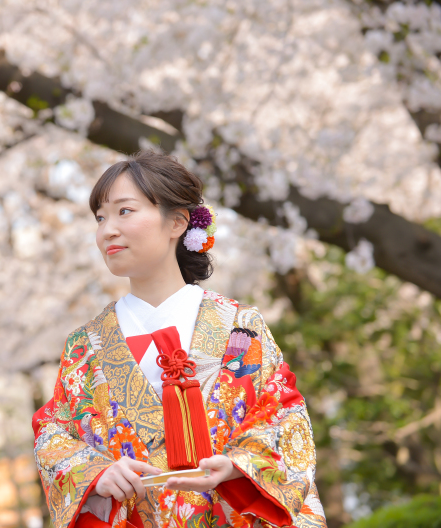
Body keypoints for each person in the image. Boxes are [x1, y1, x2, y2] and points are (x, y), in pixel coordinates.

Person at [32, 151, 326, 528]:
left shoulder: (240, 327)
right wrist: (96, 473)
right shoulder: (85, 347)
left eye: (125, 211)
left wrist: (238, 465)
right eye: (100, 217)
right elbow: (55, 433)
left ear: (177, 222)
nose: (107, 230)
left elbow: (284, 418)